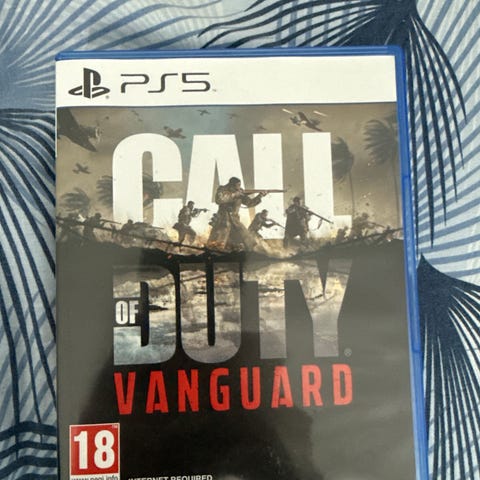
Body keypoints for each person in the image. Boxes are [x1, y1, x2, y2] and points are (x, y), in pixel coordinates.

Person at [208, 177, 266, 250]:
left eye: (239, 185)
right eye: (237, 185)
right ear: (231, 185)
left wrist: (260, 196)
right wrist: (234, 195)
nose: (239, 187)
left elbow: (250, 203)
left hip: (235, 220)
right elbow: (219, 200)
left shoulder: (240, 193)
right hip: (223, 219)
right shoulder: (222, 189)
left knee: (244, 239)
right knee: (218, 241)